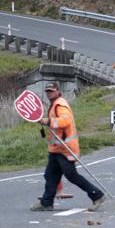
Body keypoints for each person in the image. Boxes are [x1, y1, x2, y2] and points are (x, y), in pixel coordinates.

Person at [31, 82, 106, 211]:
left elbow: (66, 121)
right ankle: (46, 203)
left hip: (65, 149)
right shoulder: (54, 104)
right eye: (47, 91)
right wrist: (45, 120)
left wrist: (48, 121)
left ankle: (97, 195)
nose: (49, 93)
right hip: (56, 149)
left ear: (57, 91)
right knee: (50, 175)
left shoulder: (60, 104)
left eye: (51, 91)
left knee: (72, 175)